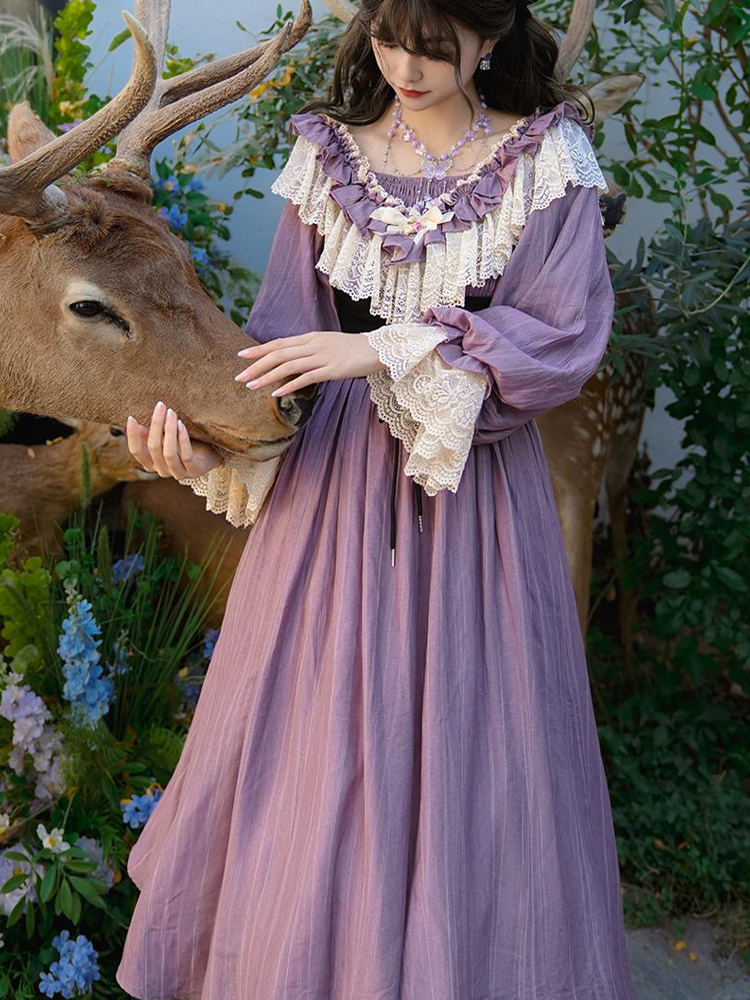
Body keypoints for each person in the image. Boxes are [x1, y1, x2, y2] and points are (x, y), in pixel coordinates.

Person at [116, 0, 639, 997]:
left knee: (481, 765)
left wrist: (382, 348)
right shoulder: (330, 158)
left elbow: (559, 338)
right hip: (330, 511)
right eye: (390, 38)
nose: (405, 65)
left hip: (476, 509)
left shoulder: (546, 161)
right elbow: (281, 351)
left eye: (435, 47)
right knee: (314, 758)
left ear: (491, 37)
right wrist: (200, 446)